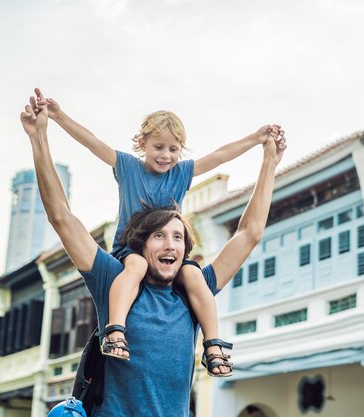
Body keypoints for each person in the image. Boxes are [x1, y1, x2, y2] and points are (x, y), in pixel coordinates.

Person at [20, 95, 286, 417]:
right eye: (159, 236)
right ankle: (113, 332)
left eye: (178, 237)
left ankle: (214, 346)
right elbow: (61, 217)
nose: (170, 245)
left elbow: (250, 232)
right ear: (142, 244)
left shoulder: (192, 290)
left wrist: (269, 160)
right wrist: (40, 137)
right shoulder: (114, 278)